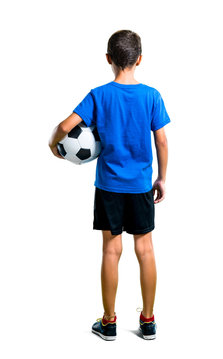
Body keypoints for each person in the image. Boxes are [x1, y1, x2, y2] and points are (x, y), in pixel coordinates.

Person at [48, 29, 171, 341]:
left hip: (109, 188)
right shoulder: (151, 96)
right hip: (141, 186)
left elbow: (65, 127)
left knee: (111, 251)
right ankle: (147, 322)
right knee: (145, 250)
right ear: (139, 59)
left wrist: (54, 145)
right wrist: (161, 178)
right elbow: (161, 141)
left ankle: (109, 322)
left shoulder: (98, 95)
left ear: (108, 60)